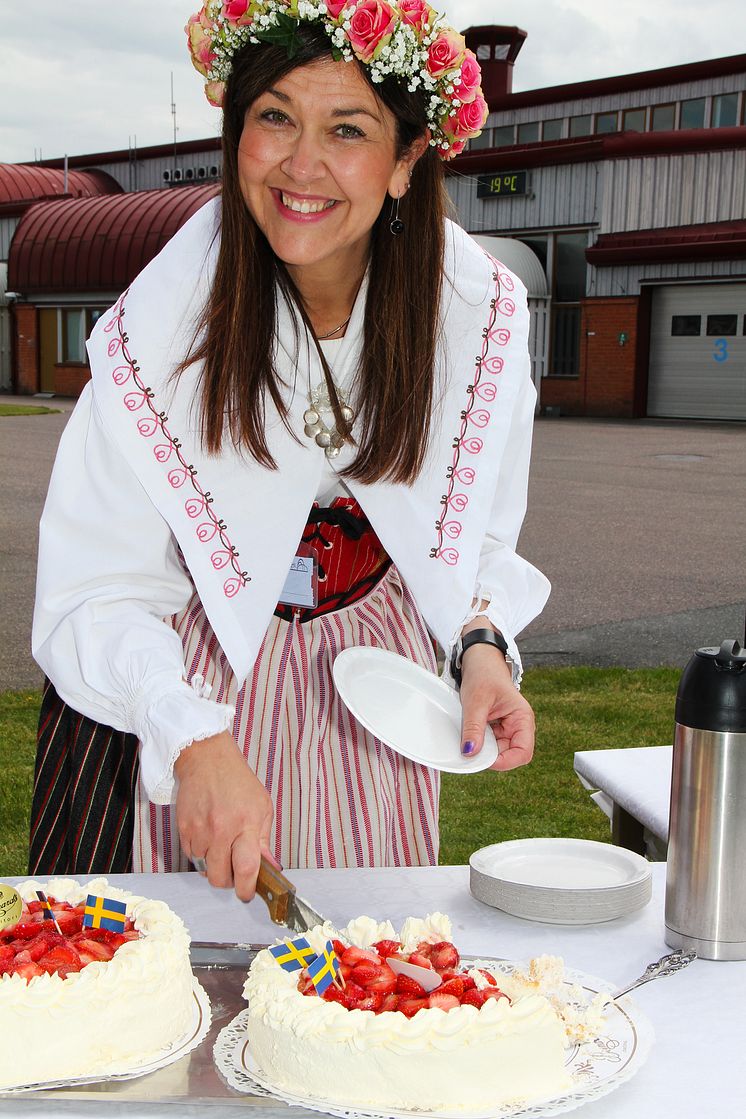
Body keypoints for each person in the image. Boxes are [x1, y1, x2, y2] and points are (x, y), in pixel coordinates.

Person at [30, 0, 550, 899]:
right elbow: (95, 588)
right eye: (274, 116)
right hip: (197, 681)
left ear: (406, 162)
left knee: (361, 968)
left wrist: (481, 642)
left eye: (346, 129)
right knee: (195, 977)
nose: (300, 165)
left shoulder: (477, 317)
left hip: (373, 692)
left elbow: (479, 539)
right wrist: (187, 731)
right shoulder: (163, 327)